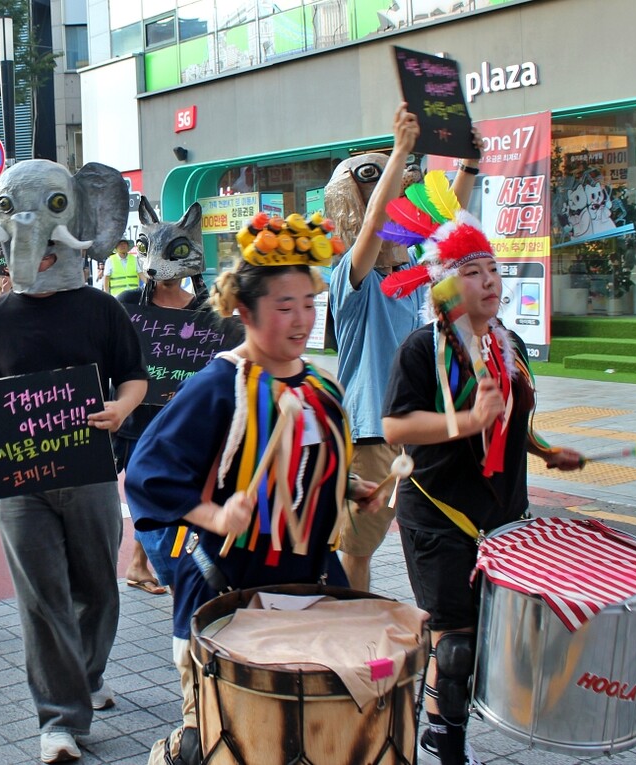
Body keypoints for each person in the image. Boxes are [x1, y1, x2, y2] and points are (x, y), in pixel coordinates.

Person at [126, 209, 377, 765]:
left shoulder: (317, 384)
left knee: (308, 735)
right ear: (244, 310)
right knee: (222, 738)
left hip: (310, 583)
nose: (301, 320)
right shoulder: (218, 386)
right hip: (228, 590)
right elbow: (147, 474)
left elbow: (310, 466)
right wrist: (214, 516)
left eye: (309, 305)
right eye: (284, 307)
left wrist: (350, 488)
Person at [0, 160, 144, 764]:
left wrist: (121, 409)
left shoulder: (103, 311)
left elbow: (134, 379)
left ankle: (86, 677)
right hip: (19, 483)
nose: (35, 248)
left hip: (91, 472)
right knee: (42, 596)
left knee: (97, 586)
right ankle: (59, 719)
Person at [376, 172, 582, 765]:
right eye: (471, 270)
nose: (488, 279)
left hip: (501, 517)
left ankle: (443, 716)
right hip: (439, 516)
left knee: (489, 635)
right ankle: (446, 740)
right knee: (458, 642)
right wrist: (463, 423)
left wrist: (543, 450)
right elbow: (395, 428)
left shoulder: (507, 342)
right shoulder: (422, 349)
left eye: (490, 266)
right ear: (443, 285)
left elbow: (511, 416)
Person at [326, 104, 480, 593]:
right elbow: (372, 228)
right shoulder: (354, 277)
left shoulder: (409, 270)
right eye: (372, 180)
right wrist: (398, 152)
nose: (398, 193)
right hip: (369, 434)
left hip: (415, 429)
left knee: (428, 537)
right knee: (357, 550)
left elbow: (445, 218)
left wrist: (468, 166)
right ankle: (349, 630)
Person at [114, 201, 211, 595]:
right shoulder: (128, 306)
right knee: (149, 492)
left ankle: (142, 564)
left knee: (176, 494)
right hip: (139, 421)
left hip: (187, 424)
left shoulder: (207, 309)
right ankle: (167, 566)